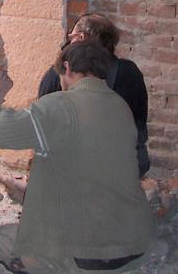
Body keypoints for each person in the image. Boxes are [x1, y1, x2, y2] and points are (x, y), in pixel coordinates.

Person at [0, 42, 155, 274]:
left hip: (89, 258)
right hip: (136, 244)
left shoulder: (61, 105)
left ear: (68, 67)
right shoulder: (120, 106)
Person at [38, 13, 150, 178]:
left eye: (71, 37)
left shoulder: (63, 72)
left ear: (81, 38)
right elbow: (140, 123)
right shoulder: (130, 71)